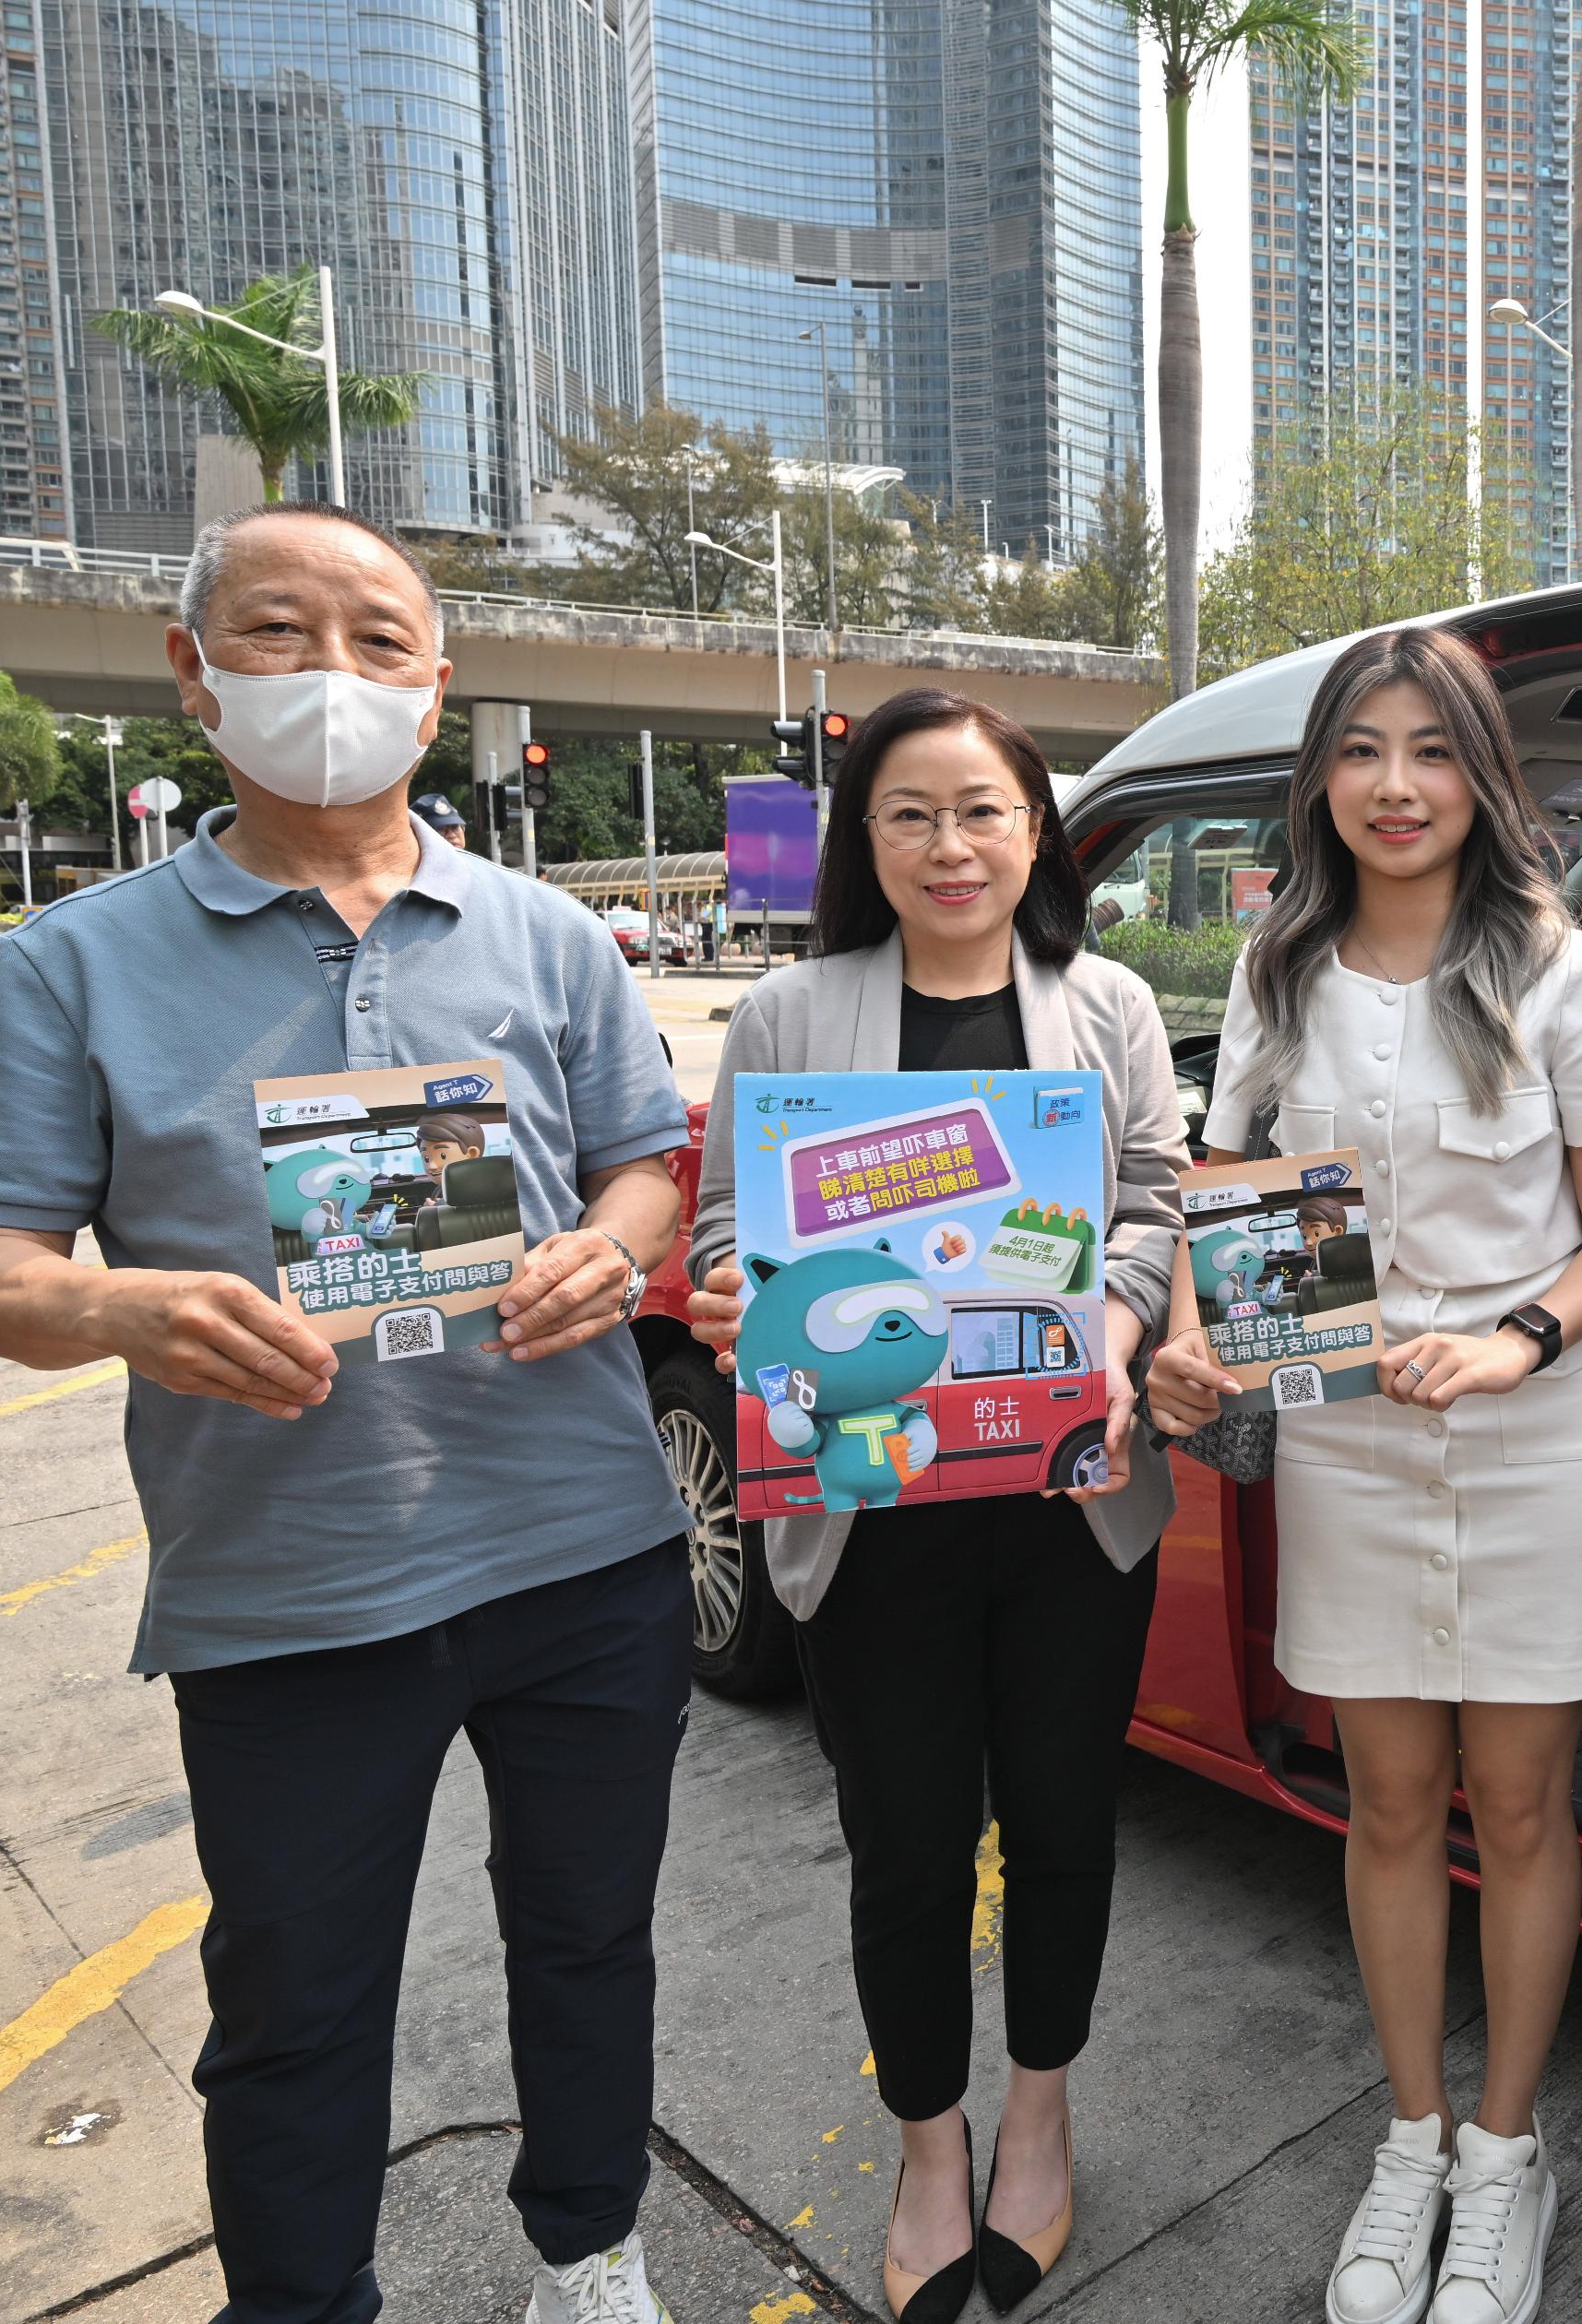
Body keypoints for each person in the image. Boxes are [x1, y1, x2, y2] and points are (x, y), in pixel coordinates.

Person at [0, 504, 698, 2324]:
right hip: (286, 1589)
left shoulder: (548, 937)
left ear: (436, 691)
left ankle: (590, 2249)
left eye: (377, 639)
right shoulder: (71, 967)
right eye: (277, 631)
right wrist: (118, 1304)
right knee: (295, 1998)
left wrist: (611, 1250)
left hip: (585, 1555)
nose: (329, 674)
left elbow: (643, 1163)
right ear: (195, 672)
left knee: (587, 1944)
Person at [1147, 626, 1582, 2324]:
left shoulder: (1557, 969)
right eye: (1360, 751)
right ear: (1320, 782)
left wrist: (1521, 1335)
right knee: (1383, 1805)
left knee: (1517, 1809)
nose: (1393, 786)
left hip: (1534, 1428)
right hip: (1350, 1433)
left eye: (1430, 751)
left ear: (1479, 774)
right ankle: (1414, 2139)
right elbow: (1224, 1195)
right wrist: (1190, 1332)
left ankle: (1508, 2159)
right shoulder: (1275, 971)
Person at [684, 689, 1188, 2324]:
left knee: (1059, 1826)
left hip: (1069, 1506)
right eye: (911, 812)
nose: (950, 843)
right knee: (902, 1848)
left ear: (1035, 829)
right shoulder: (786, 1015)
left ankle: (1036, 2123)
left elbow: (1158, 1205)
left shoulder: (1105, 1004)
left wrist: (1103, 1341)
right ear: (864, 839)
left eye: (981, 809)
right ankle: (929, 2142)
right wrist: (727, 1298)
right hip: (864, 1505)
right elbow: (715, 1238)